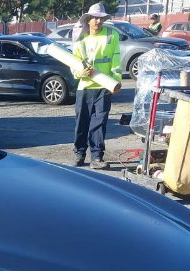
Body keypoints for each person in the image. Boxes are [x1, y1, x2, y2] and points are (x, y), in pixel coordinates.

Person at [71, 3, 122, 169]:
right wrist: (80, 73)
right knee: (82, 122)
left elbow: (116, 62)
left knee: (99, 123)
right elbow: (74, 64)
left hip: (104, 87)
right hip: (85, 87)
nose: (98, 21)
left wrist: (115, 81)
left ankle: (97, 157)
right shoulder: (81, 38)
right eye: (95, 18)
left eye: (101, 18)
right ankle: (79, 153)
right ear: (88, 19)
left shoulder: (111, 35)